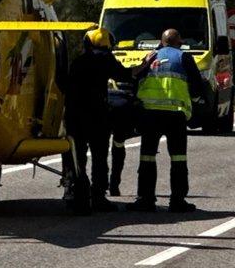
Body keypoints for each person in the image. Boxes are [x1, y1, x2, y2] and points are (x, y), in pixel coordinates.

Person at [62, 27, 131, 213]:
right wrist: (146, 64)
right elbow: (126, 75)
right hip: (97, 117)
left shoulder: (78, 62)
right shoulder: (106, 61)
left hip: (74, 117)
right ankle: (98, 196)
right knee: (99, 158)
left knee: (76, 157)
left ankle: (73, 191)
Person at [131, 28, 199, 213]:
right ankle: (177, 200)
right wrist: (194, 104)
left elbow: (136, 79)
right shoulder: (184, 58)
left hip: (150, 114)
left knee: (147, 156)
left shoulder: (150, 57)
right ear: (179, 41)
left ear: (162, 41)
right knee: (178, 158)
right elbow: (197, 85)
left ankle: (145, 199)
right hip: (175, 115)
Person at [106, 76, 137, 197]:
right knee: (118, 145)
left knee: (101, 150)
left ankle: (101, 187)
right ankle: (113, 185)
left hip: (105, 105)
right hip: (123, 109)